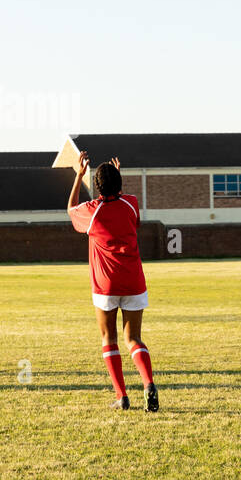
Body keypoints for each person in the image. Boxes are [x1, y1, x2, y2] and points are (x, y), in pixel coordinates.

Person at [67, 152, 158, 411]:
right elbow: (127, 211)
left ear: (96, 187)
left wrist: (78, 176)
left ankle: (122, 396)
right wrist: (118, 180)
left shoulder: (93, 212)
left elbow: (70, 209)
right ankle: (148, 383)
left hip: (105, 284)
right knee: (135, 339)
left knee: (109, 339)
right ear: (119, 182)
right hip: (133, 281)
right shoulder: (131, 203)